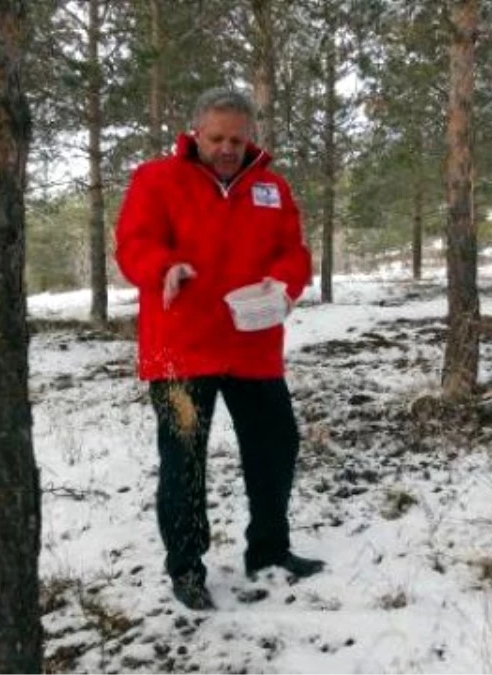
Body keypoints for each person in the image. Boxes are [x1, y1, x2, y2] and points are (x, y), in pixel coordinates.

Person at [114, 88, 322, 610]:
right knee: (183, 461)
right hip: (180, 349)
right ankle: (186, 568)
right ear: (194, 132)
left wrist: (284, 284)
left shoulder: (271, 186)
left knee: (276, 448)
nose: (228, 148)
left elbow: (292, 251)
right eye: (217, 138)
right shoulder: (156, 179)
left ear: (250, 137)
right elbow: (134, 243)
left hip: (252, 344)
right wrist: (165, 269)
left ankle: (270, 551)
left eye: (238, 138)